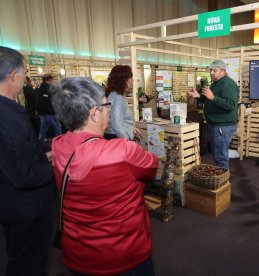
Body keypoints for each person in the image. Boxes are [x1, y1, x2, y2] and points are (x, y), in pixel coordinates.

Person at [51, 77, 159, 275]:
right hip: (125, 254)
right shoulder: (123, 151)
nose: (108, 110)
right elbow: (152, 166)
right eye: (105, 105)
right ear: (93, 114)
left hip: (79, 254)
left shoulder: (58, 146)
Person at [0, 46, 57, 275]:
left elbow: (11, 158)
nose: (25, 80)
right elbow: (24, 175)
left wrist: (41, 156)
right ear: (13, 75)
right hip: (26, 208)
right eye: (24, 73)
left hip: (13, 204)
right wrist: (55, 166)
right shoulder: (8, 117)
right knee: (28, 265)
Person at [188, 59, 239, 169]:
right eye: (211, 70)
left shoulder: (228, 84)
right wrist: (199, 96)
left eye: (214, 71)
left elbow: (230, 105)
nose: (211, 73)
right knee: (217, 154)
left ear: (222, 71)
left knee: (220, 155)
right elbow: (209, 99)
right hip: (216, 124)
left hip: (223, 126)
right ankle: (221, 178)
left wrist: (213, 97)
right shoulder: (216, 83)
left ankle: (223, 182)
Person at [104, 65, 141, 140]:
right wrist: (126, 142)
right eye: (131, 77)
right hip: (118, 137)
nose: (133, 80)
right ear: (125, 80)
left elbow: (117, 119)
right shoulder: (118, 97)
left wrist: (131, 129)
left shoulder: (113, 94)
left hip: (112, 135)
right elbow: (117, 125)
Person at [37, 74, 61, 148]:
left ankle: (40, 144)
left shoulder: (40, 87)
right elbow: (53, 99)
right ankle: (60, 143)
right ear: (50, 79)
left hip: (42, 112)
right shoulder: (50, 88)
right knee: (57, 127)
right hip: (50, 112)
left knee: (43, 129)